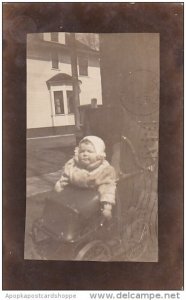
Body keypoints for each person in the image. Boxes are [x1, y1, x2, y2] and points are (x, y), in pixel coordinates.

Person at [55, 136, 116, 219]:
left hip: (92, 201)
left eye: (89, 151)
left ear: (98, 155)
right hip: (73, 197)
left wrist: (107, 207)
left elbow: (108, 188)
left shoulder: (103, 170)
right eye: (82, 151)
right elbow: (65, 176)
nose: (85, 154)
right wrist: (60, 186)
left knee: (85, 220)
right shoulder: (73, 165)